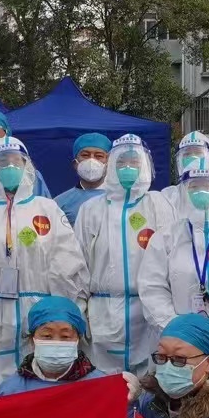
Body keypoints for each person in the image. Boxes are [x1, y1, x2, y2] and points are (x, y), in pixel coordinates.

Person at [0, 136, 88, 391]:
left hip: (41, 312)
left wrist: (65, 311)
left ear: (28, 167)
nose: (10, 167)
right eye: (2, 162)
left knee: (41, 380)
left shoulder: (47, 209)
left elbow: (68, 263)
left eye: (16, 161)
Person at [75, 134, 175, 373]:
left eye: (134, 162)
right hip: (102, 311)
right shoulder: (91, 209)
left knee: (150, 377)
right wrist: (79, 310)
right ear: (111, 166)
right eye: (121, 162)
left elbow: (172, 257)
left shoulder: (159, 204)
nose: (128, 168)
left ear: (145, 165)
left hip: (149, 311)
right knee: (103, 380)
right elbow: (78, 264)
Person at [139, 164, 209, 352]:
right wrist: (179, 332)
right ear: (183, 191)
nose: (202, 192)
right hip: (177, 344)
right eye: (194, 187)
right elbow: (152, 288)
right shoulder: (165, 238)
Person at [0, 295, 104, 396]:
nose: (56, 342)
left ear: (77, 340)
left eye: (65, 336)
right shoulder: (11, 391)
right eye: (47, 336)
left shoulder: (100, 386)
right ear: (32, 340)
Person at [55, 132, 112, 225]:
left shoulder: (119, 198)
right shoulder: (59, 203)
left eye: (99, 156)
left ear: (109, 163)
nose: (92, 160)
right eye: (85, 155)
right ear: (75, 164)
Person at [157, 130, 209, 214]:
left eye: (198, 152)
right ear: (179, 160)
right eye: (187, 154)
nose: (192, 157)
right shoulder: (169, 196)